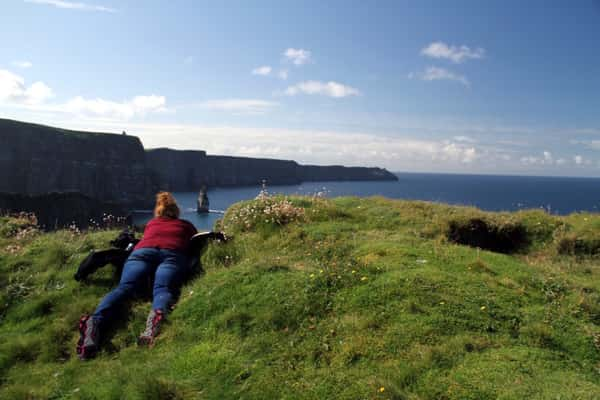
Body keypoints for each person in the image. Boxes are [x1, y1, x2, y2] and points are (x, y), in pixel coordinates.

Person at [77, 192, 197, 360]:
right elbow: (196, 241)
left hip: (142, 253)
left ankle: (95, 322)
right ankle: (155, 320)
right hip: (171, 254)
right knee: (162, 288)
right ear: (176, 212)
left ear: (158, 211)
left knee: (124, 288)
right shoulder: (186, 226)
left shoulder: (151, 224)